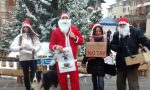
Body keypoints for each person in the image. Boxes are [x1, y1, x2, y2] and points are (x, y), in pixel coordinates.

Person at [110, 17, 150, 90]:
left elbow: (144, 40)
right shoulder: (116, 34)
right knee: (120, 84)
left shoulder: (136, 32)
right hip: (120, 63)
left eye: (123, 24)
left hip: (132, 62)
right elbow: (112, 45)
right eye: (120, 24)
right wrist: (117, 47)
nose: (122, 26)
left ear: (127, 24)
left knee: (133, 85)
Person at [49, 13, 83, 90]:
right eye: (63, 18)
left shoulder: (74, 29)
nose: (64, 19)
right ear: (60, 20)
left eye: (66, 18)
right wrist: (56, 46)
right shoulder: (56, 31)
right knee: (62, 80)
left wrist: (74, 37)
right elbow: (51, 45)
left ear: (69, 20)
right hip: (61, 59)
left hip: (72, 58)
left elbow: (81, 41)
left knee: (75, 80)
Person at [10, 20, 41, 90]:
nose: (25, 28)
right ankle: (27, 88)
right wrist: (20, 47)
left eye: (27, 27)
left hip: (33, 58)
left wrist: (34, 49)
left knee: (33, 74)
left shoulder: (34, 36)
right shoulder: (19, 37)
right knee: (26, 75)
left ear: (30, 28)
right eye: (24, 27)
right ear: (22, 28)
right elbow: (12, 47)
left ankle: (34, 87)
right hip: (23, 59)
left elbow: (38, 45)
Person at [82, 24, 109, 90]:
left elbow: (108, 50)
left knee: (100, 80)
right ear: (94, 32)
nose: (98, 32)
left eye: (99, 31)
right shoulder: (91, 39)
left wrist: (106, 56)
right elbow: (87, 51)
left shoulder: (105, 39)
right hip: (92, 62)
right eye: (96, 31)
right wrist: (84, 61)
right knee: (94, 80)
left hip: (101, 63)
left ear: (102, 31)